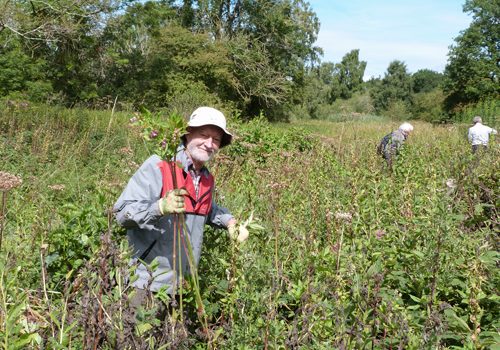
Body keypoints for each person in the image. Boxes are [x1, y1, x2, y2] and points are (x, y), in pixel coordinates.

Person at [113, 106, 237, 301]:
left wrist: (230, 222)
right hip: (147, 282)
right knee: (137, 331)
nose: (209, 143)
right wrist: (159, 208)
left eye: (216, 140)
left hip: (182, 285)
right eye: (203, 135)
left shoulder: (205, 177)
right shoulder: (159, 165)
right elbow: (122, 213)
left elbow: (207, 210)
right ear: (187, 135)